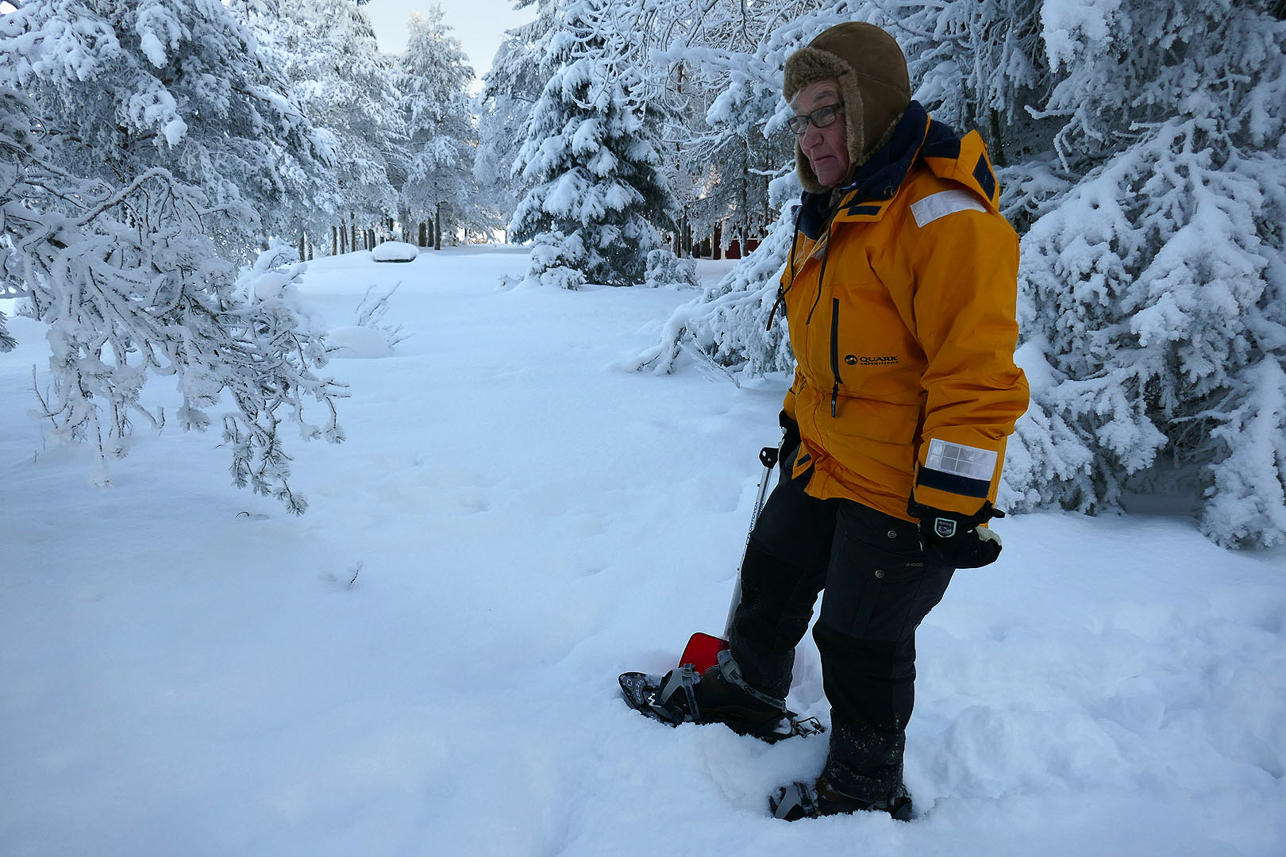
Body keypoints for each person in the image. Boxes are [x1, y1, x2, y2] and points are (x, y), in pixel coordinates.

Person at [652, 21, 1030, 821]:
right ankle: (748, 691)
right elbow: (825, 359)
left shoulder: (943, 219)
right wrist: (797, 424)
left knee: (861, 636)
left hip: (903, 485)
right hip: (824, 456)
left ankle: (864, 777)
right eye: (799, 117)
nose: (811, 134)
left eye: (826, 111)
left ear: (871, 107)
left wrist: (953, 502)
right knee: (772, 571)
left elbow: (976, 374)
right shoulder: (835, 214)